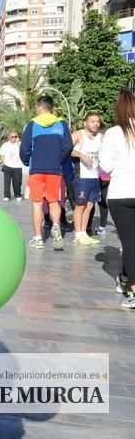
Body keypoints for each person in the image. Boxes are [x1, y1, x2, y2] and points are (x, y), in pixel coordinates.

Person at [19, 95, 73, 251]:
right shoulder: (61, 124)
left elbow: (24, 149)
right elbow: (68, 146)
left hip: (37, 170)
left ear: (39, 108)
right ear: (51, 108)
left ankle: (38, 238)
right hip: (55, 170)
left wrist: (27, 161)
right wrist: (59, 160)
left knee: (37, 203)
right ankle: (56, 225)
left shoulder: (32, 124)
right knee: (53, 201)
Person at [99, 89, 135, 308]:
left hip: (121, 193)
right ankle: (124, 279)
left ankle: (133, 291)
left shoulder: (113, 133)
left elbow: (105, 167)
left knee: (129, 244)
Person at [71, 112, 103, 246]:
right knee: (80, 205)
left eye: (97, 121)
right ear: (86, 123)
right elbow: (67, 149)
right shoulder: (79, 134)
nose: (96, 124)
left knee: (89, 205)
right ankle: (78, 234)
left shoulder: (101, 136)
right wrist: (82, 156)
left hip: (94, 176)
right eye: (92, 121)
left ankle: (84, 233)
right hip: (82, 176)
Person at [0, 131, 24, 201]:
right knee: (7, 182)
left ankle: (18, 195)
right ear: (9, 137)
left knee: (17, 182)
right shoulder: (5, 145)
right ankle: (6, 196)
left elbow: (23, 152)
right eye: (12, 137)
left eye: (15, 136)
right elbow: (1, 154)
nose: (14, 138)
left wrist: (18, 144)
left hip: (18, 166)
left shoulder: (20, 144)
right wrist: (4, 163)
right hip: (8, 166)